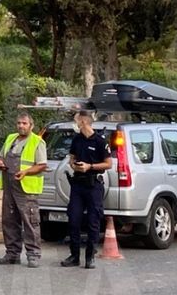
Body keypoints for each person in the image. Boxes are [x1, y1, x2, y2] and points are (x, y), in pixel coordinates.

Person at [0, 112, 47, 268]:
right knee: (9, 221)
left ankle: (33, 255)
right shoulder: (11, 138)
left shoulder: (37, 142)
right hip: (9, 186)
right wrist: (0, 163)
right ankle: (12, 254)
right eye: (19, 123)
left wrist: (25, 172)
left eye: (24, 123)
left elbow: (42, 165)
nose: (21, 126)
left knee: (30, 222)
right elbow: (2, 157)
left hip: (27, 188)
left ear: (31, 125)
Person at [61, 110, 112, 269]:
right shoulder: (77, 139)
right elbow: (72, 158)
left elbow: (108, 164)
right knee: (74, 219)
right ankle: (74, 255)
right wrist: (73, 164)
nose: (75, 124)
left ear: (83, 122)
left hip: (93, 185)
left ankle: (90, 256)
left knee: (93, 221)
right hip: (77, 184)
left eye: (76, 121)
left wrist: (90, 166)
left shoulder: (99, 141)